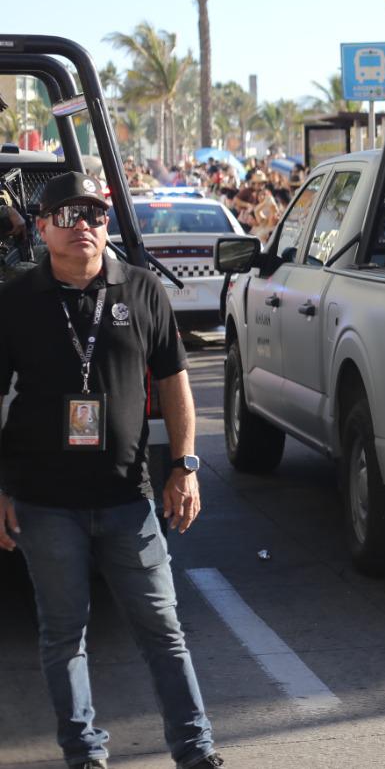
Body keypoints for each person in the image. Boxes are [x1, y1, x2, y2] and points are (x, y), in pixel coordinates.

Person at [0, 172, 223, 769]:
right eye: (68, 216)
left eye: (95, 215)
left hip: (130, 498)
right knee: (63, 635)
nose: (84, 227)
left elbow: (175, 382)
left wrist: (186, 465)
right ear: (42, 227)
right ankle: (84, 754)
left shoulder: (143, 290)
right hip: (44, 503)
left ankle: (196, 751)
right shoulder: (16, 300)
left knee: (163, 630)